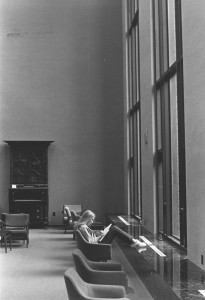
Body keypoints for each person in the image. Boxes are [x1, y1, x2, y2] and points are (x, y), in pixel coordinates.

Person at [74, 210, 146, 247]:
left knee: (113, 228)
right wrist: (100, 236)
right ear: (87, 219)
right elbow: (91, 242)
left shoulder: (82, 226)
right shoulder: (83, 228)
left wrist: (98, 233)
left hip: (96, 244)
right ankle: (133, 241)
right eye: (92, 219)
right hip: (97, 246)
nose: (92, 222)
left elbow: (90, 235)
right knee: (114, 229)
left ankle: (132, 241)